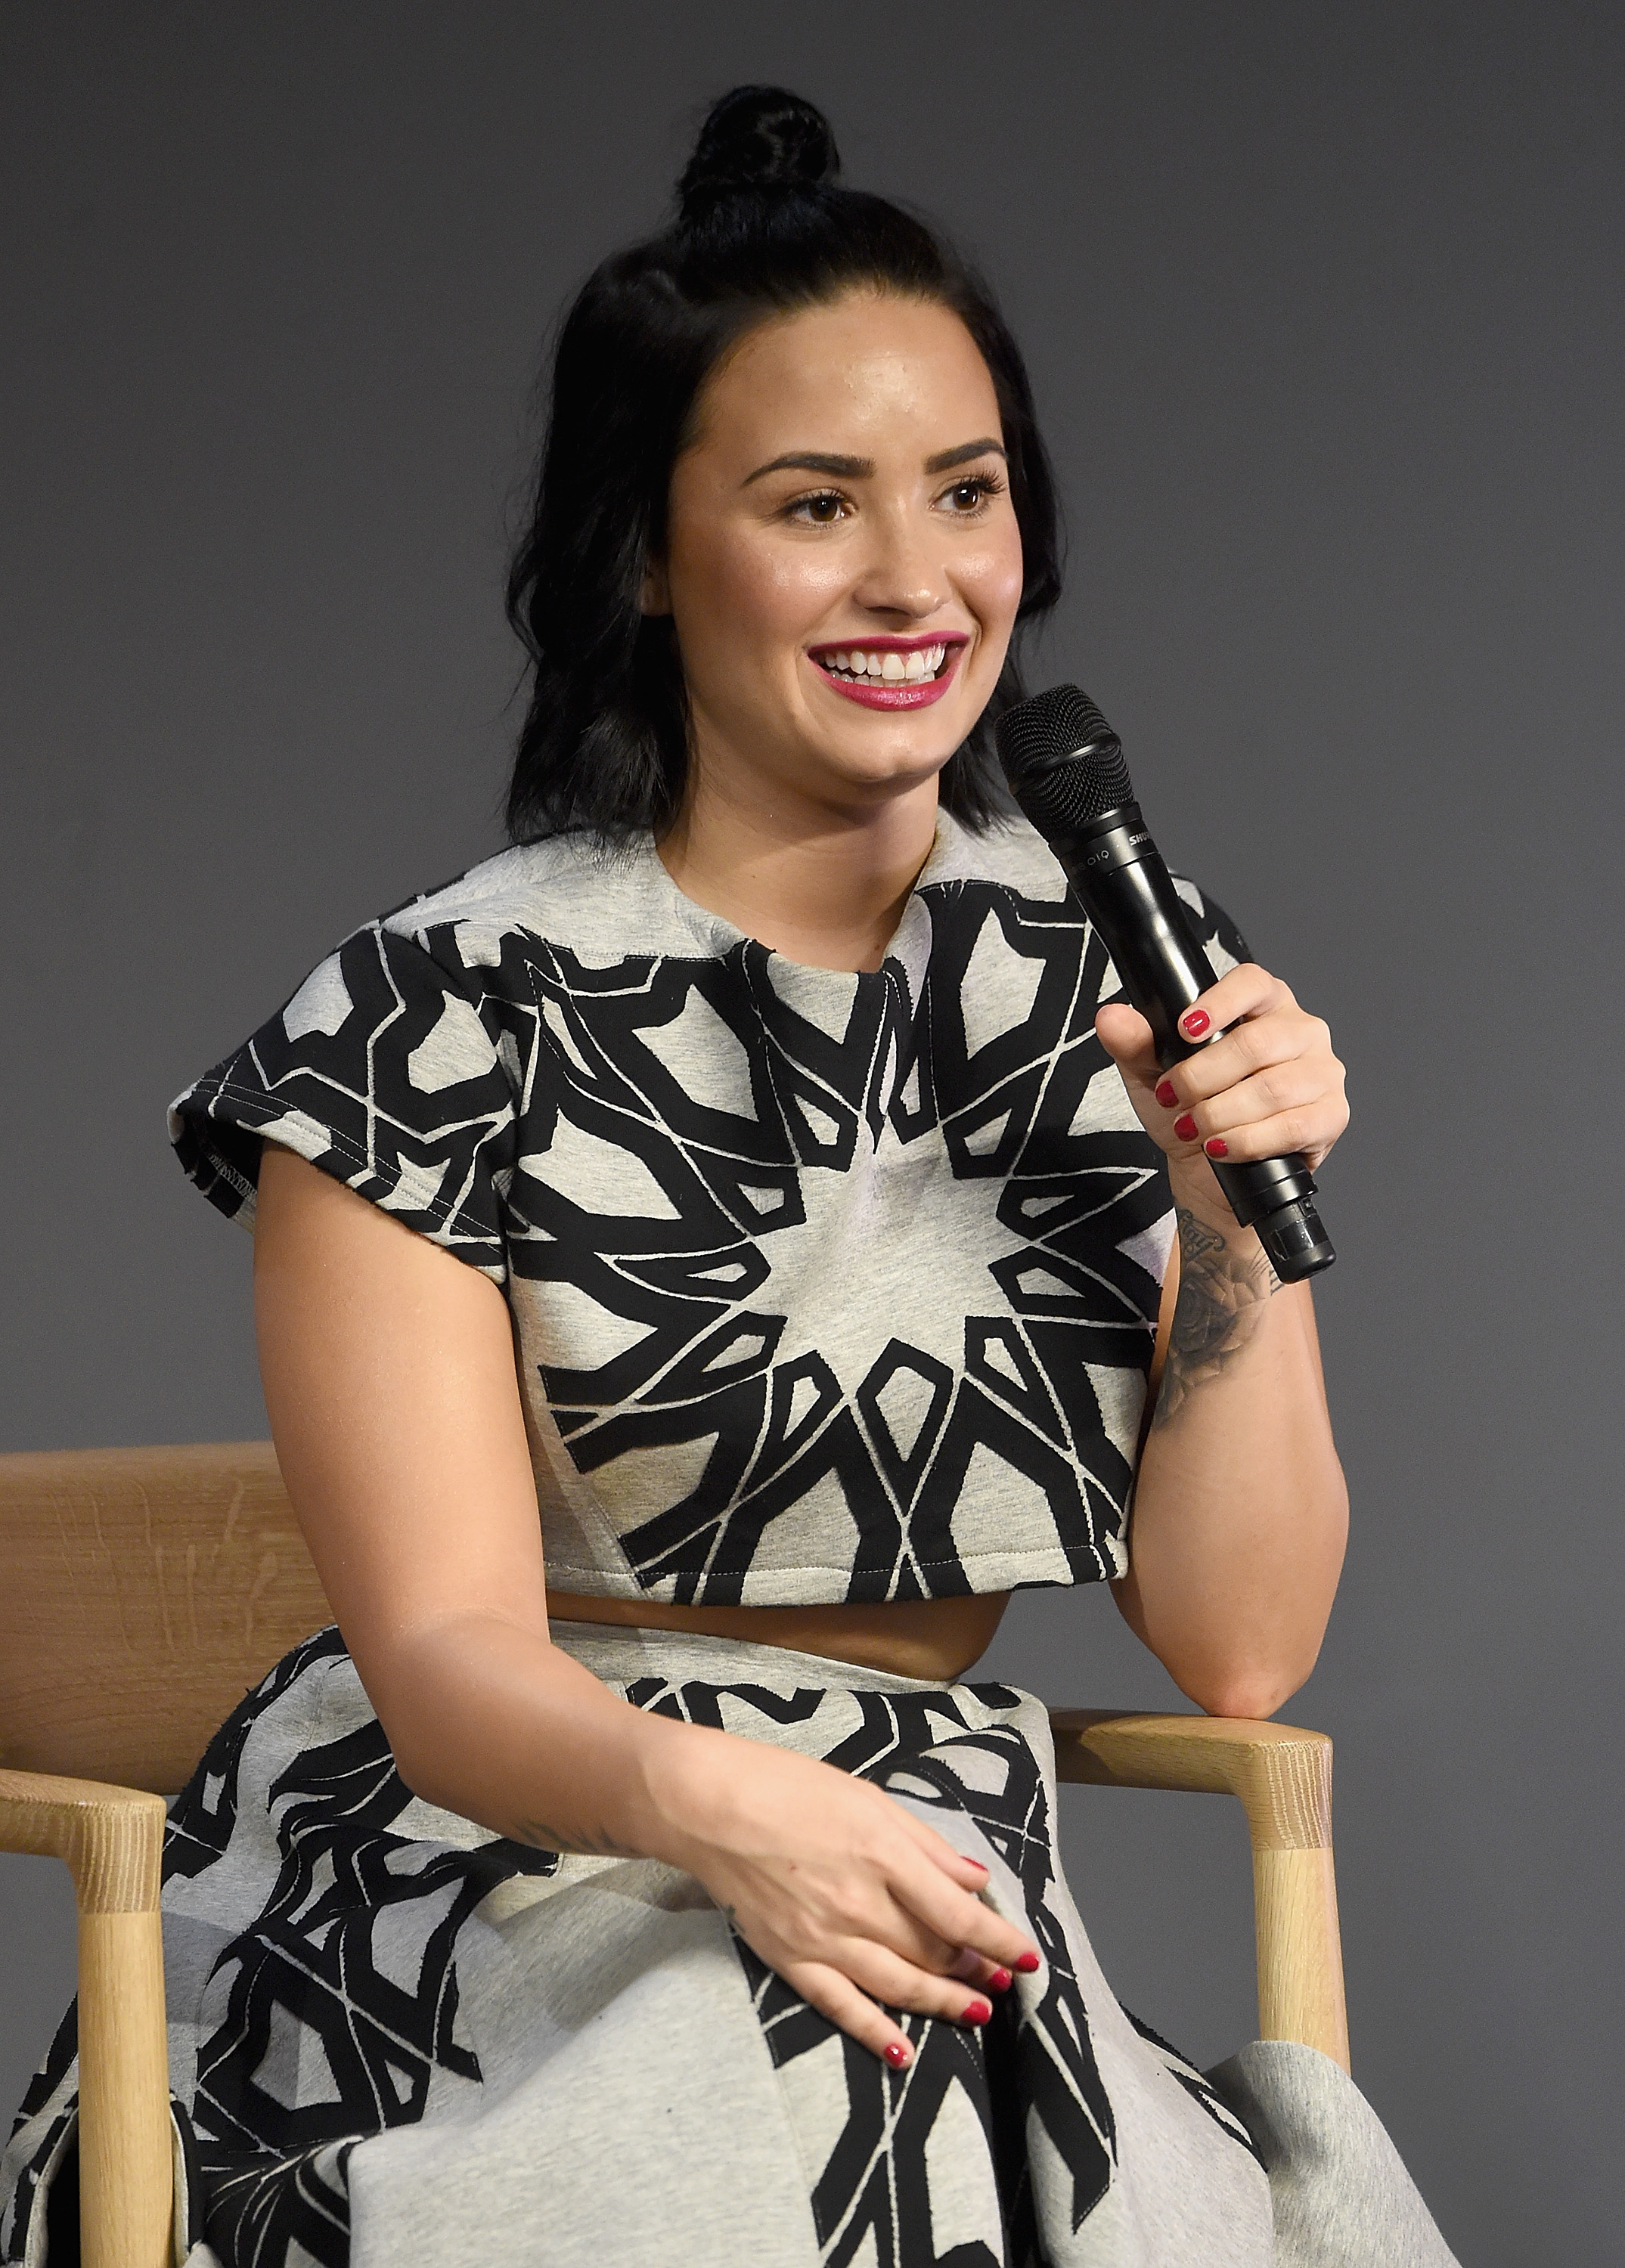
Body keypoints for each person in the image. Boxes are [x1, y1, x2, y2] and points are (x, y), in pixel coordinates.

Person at [2, 85, 1458, 2268]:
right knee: (771, 2089)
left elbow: (1241, 1648)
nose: (914, 579)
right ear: (643, 549)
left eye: (966, 492)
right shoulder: (433, 1017)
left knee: (893, 2066)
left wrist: (1235, 1227)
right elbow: (451, 1660)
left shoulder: (1101, 977)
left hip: (930, 1854)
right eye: (813, 504)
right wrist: (736, 1811)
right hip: (510, 1861)